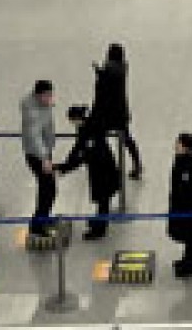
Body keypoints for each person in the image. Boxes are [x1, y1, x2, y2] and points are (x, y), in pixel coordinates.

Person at [59, 106, 122, 239]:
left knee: (103, 199)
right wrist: (65, 165)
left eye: (72, 120)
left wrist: (65, 167)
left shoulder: (90, 130)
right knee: (103, 199)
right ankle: (99, 220)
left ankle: (100, 229)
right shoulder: (87, 126)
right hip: (100, 167)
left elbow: (82, 153)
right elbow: (78, 149)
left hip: (103, 169)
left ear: (77, 118)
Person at [90, 42, 143, 181]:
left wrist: (99, 72)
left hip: (107, 114)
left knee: (96, 136)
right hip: (120, 113)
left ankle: (101, 165)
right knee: (127, 139)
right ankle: (137, 164)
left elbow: (103, 91)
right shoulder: (122, 68)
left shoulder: (109, 69)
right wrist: (100, 72)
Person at [20, 78, 59, 234]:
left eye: (51, 94)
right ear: (38, 95)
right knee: (48, 189)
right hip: (37, 156)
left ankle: (42, 218)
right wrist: (44, 158)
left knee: (48, 188)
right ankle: (38, 224)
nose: (50, 98)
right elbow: (34, 137)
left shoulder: (43, 105)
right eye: (47, 95)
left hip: (44, 152)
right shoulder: (33, 114)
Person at [167, 133, 192, 278]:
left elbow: (186, 188)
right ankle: (186, 260)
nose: (176, 145)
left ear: (186, 147)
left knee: (189, 235)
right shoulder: (180, 160)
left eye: (179, 143)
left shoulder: (187, 164)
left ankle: (190, 265)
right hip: (181, 203)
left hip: (186, 206)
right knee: (186, 234)